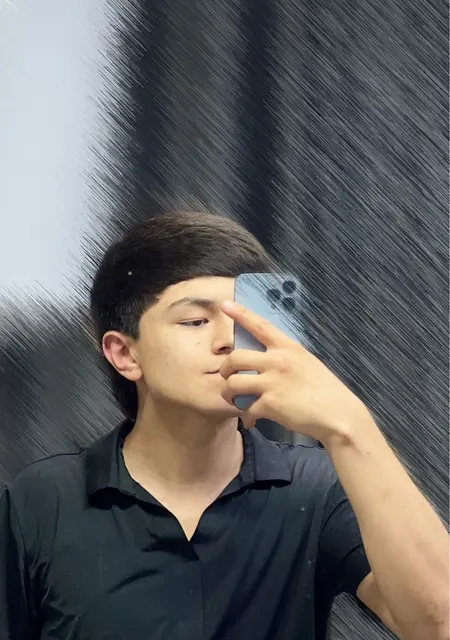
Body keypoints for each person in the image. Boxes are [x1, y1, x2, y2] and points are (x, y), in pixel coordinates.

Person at [0, 211, 448, 640]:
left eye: (244, 321)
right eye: (196, 321)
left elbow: (438, 623)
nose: (226, 341)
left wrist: (348, 427)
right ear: (124, 354)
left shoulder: (316, 490)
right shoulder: (42, 502)